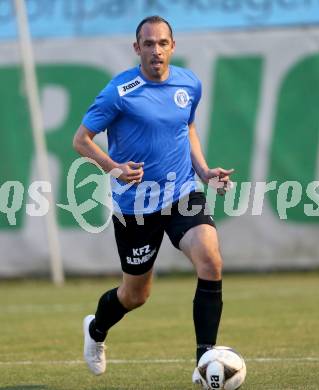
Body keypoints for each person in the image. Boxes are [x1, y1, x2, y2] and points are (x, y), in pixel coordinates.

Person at [73, 15, 234, 385]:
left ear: (173, 46)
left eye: (162, 43)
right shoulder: (120, 91)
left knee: (210, 257)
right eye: (148, 44)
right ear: (137, 48)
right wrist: (113, 168)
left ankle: (204, 360)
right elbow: (81, 140)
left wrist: (205, 171)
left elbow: (187, 128)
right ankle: (96, 330)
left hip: (182, 193)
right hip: (136, 207)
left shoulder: (189, 83)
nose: (156, 50)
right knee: (135, 295)